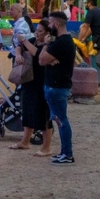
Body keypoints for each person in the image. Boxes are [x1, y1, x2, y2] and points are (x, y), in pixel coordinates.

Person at [11, 20, 53, 157]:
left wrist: (24, 41)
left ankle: (46, 147)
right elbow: (19, 46)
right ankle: (25, 141)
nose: (37, 33)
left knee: (44, 114)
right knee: (27, 110)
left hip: (43, 81)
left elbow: (37, 53)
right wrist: (18, 54)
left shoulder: (48, 45)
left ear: (47, 33)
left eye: (40, 31)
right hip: (30, 80)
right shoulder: (32, 40)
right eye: (37, 30)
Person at [39, 11, 76, 165]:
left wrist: (47, 44)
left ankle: (67, 153)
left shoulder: (62, 43)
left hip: (57, 86)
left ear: (58, 24)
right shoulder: (62, 41)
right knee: (59, 119)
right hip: (55, 86)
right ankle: (64, 152)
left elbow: (41, 60)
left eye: (51, 23)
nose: (49, 26)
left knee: (61, 120)